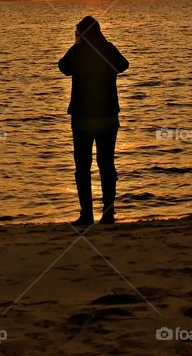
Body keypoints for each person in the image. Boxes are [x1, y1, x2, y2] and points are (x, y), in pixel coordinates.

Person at [58, 16, 129, 226]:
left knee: (83, 166)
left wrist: (76, 45)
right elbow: (123, 65)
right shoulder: (107, 48)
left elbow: (63, 67)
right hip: (107, 116)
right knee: (106, 164)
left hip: (83, 118)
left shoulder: (78, 51)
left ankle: (86, 214)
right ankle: (108, 214)